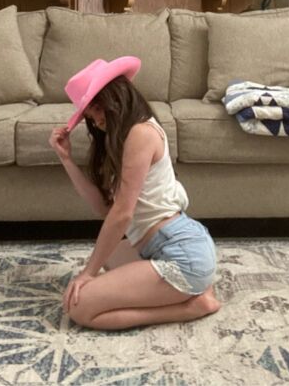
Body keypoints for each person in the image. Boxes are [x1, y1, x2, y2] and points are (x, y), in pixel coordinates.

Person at [48, 56, 221, 331]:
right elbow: (104, 209)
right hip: (162, 246)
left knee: (79, 307)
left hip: (181, 253)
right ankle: (190, 288)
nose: (97, 121)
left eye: (97, 108)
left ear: (116, 96)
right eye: (90, 117)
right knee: (110, 256)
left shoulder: (141, 133)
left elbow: (122, 214)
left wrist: (87, 273)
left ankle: (193, 306)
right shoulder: (125, 138)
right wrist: (66, 159)